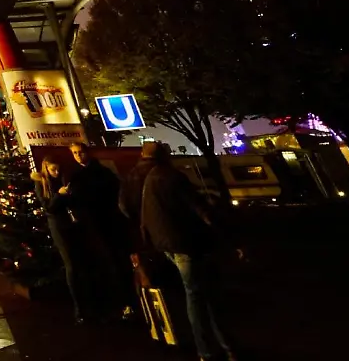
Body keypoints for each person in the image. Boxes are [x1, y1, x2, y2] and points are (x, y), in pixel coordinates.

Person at [141, 144, 235, 361]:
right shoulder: (172, 177)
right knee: (200, 295)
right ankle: (212, 348)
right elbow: (198, 206)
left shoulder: (149, 179)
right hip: (184, 244)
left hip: (165, 244)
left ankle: (209, 348)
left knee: (194, 292)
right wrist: (222, 232)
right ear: (166, 156)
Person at [67, 142, 133, 318]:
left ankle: (125, 301)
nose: (78, 155)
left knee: (115, 260)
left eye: (80, 152)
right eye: (75, 153)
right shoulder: (75, 175)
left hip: (106, 222)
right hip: (89, 225)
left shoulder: (102, 173)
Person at [35, 157, 91, 323]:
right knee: (71, 264)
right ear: (46, 168)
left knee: (82, 261)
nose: (56, 172)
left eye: (58, 169)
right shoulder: (42, 183)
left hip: (74, 223)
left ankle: (89, 301)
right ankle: (78, 306)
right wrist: (60, 195)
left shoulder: (65, 179)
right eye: (53, 170)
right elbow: (48, 208)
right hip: (59, 226)